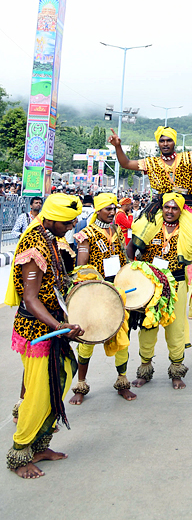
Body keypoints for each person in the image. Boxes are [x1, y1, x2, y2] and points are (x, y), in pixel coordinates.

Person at [5, 193, 84, 479]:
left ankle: (40, 445)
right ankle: (20, 452)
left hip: (51, 327)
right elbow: (30, 299)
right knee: (39, 395)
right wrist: (59, 326)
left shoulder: (49, 237)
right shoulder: (34, 245)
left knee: (59, 380)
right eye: (67, 221)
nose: (73, 224)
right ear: (49, 218)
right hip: (38, 332)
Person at [127, 192, 192, 388]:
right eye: (167, 207)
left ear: (180, 211)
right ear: (161, 208)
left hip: (177, 284)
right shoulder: (150, 227)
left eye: (174, 208)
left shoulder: (187, 231)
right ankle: (144, 369)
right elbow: (130, 249)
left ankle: (176, 372)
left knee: (175, 329)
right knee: (148, 327)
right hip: (150, 286)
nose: (170, 211)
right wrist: (132, 270)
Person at [69, 193, 134, 405]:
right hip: (96, 293)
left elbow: (123, 259)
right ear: (98, 210)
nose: (113, 212)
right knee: (87, 341)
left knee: (121, 338)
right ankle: (81, 385)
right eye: (108, 209)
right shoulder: (86, 234)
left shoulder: (115, 229)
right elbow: (82, 268)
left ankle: (122, 382)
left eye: (114, 208)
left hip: (116, 292)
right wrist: (93, 287)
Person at [109, 122, 192, 204]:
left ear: (174, 142)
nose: (165, 144)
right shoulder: (151, 163)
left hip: (185, 206)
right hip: (160, 206)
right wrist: (118, 146)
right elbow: (126, 164)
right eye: (162, 141)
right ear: (158, 143)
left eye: (169, 140)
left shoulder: (187, 158)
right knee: (140, 229)